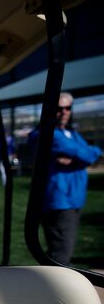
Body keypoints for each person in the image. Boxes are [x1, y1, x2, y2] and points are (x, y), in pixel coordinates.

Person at [28, 92, 101, 264]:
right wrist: (82, 157)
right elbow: (83, 153)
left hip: (74, 200)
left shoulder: (71, 134)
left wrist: (79, 158)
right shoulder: (45, 134)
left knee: (62, 250)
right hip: (58, 201)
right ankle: (53, 289)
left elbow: (92, 152)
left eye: (68, 108)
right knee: (61, 253)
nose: (64, 112)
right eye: (59, 108)